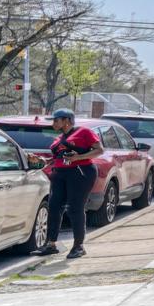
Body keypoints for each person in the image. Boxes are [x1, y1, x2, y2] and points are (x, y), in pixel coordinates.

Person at [39, 108, 102, 260]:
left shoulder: (83, 132)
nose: (53, 123)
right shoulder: (59, 138)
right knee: (54, 206)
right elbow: (57, 158)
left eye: (56, 120)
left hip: (80, 172)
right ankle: (51, 244)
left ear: (67, 120)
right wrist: (43, 161)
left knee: (75, 208)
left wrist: (79, 157)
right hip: (60, 173)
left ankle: (78, 246)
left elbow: (99, 150)